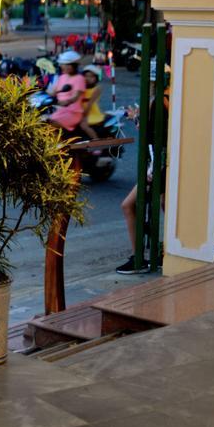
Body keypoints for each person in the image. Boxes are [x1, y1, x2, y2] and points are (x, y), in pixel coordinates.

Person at [117, 62, 170, 274]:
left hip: (157, 165)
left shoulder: (158, 102)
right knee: (166, 207)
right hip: (160, 164)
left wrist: (152, 170)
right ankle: (161, 253)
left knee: (128, 205)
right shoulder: (168, 100)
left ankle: (139, 257)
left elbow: (156, 138)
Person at [46, 50, 86, 133]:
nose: (63, 66)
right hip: (60, 111)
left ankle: (58, 145)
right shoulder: (62, 77)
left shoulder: (79, 78)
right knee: (44, 122)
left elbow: (76, 96)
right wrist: (38, 89)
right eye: (62, 64)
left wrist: (67, 102)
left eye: (67, 65)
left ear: (74, 66)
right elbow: (53, 92)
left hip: (73, 112)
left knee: (51, 124)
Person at [78, 64, 104, 141]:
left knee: (84, 125)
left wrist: (84, 116)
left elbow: (90, 104)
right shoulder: (81, 87)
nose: (88, 78)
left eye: (91, 76)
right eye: (86, 76)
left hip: (91, 112)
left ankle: (96, 140)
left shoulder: (97, 89)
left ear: (96, 78)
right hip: (80, 111)